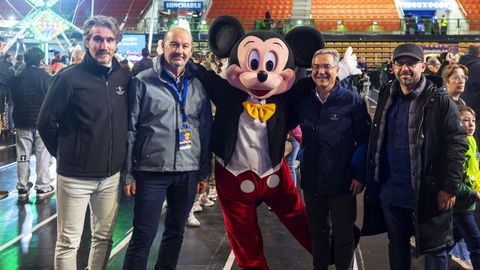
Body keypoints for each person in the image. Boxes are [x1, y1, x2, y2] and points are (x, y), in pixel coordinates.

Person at [362, 43, 468, 270]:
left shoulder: (440, 101)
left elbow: (457, 144)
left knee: (436, 249)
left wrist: (449, 186)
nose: (405, 69)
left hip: (428, 192)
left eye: (411, 63)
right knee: (397, 246)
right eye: (400, 63)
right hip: (391, 192)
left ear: (422, 66)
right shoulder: (386, 95)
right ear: (393, 67)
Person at [37, 15, 130, 270]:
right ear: (87, 42)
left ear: (116, 44)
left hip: (110, 177)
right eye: (98, 39)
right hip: (74, 178)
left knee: (103, 238)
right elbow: (45, 123)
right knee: (68, 242)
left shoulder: (122, 79)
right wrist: (66, 153)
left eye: (110, 40)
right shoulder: (68, 79)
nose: (104, 45)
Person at [122, 27, 212, 270]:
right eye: (174, 45)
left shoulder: (198, 86)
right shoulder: (142, 81)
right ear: (163, 46)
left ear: (191, 50)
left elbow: (204, 129)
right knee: (142, 237)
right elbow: (130, 129)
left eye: (184, 46)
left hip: (188, 170)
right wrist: (129, 172)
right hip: (151, 171)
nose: (179, 51)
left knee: (175, 234)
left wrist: (204, 171)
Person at [293, 48, 371, 270]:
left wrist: (358, 174)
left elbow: (365, 140)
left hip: (343, 182)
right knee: (318, 233)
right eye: (316, 67)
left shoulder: (352, 101)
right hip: (312, 181)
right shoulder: (304, 101)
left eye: (327, 66)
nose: (321, 72)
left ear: (338, 70)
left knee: (344, 235)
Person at [11, 47, 54, 200]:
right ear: (41, 60)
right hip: (41, 121)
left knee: (22, 154)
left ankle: (22, 186)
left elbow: (13, 97)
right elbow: (51, 100)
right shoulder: (46, 77)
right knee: (42, 153)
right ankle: (43, 186)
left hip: (22, 120)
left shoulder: (18, 76)